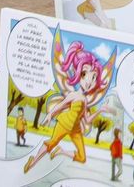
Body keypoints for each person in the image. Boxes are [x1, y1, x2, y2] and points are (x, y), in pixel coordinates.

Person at [22, 39, 110, 174]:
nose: (89, 81)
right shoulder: (73, 95)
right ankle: (32, 162)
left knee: (82, 157)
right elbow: (61, 106)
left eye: (93, 78)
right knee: (51, 143)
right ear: (79, 73)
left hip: (75, 130)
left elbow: (87, 120)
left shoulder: (85, 101)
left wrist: (100, 110)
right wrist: (50, 115)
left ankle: (61, 151)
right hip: (64, 123)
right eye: (85, 75)